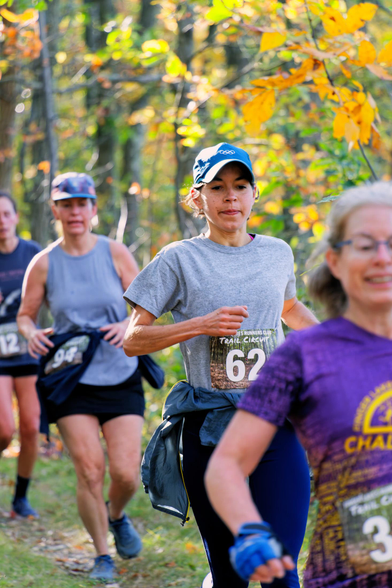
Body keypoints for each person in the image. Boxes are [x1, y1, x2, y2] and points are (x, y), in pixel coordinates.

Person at [122, 143, 319, 588]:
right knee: (231, 577)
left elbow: (289, 307)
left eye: (240, 186)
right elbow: (132, 340)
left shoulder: (277, 252)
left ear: (254, 195)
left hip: (274, 423)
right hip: (209, 427)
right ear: (198, 198)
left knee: (283, 574)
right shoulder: (178, 258)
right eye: (217, 187)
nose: (230, 197)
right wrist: (199, 325)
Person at [205, 182, 392, 588]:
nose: (382, 258)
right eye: (364, 245)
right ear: (336, 261)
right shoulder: (304, 357)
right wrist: (250, 529)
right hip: (349, 572)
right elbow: (227, 465)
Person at [17, 173, 143, 581]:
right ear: (55, 210)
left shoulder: (115, 252)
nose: (74, 211)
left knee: (126, 473)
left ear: (93, 208)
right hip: (71, 379)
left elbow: (146, 305)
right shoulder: (44, 262)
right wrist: (32, 332)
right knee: (90, 470)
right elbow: (24, 315)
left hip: (120, 373)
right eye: (66, 204)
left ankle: (117, 514)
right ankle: (102, 555)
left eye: (82, 203)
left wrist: (128, 324)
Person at [0, 190, 41, 518]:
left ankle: (21, 498)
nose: (1, 221)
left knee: (30, 426)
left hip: (28, 351)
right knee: (3, 430)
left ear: (15, 218)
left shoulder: (32, 253)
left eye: (6, 214)